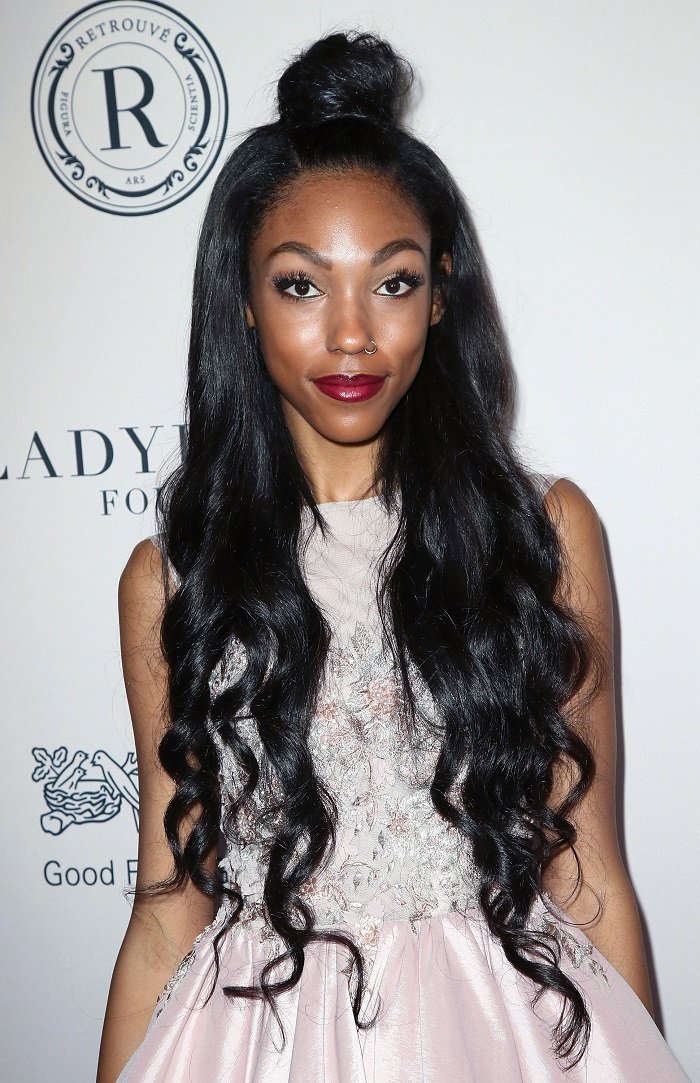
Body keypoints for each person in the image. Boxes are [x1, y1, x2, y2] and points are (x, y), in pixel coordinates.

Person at [97, 30, 689, 1083]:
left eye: (393, 281)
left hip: (507, 1033)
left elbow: (587, 867)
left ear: (441, 292)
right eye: (300, 285)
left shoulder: (543, 534)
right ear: (239, 298)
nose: (353, 336)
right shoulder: (169, 580)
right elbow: (166, 901)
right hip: (254, 1043)